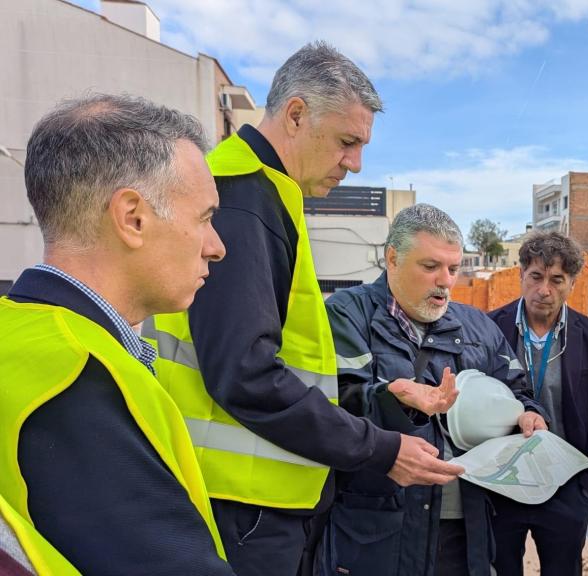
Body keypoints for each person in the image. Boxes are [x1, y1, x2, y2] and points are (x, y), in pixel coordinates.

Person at [143, 42, 460, 576]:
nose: (355, 165)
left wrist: (380, 401)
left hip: (245, 496)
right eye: (346, 141)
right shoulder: (244, 199)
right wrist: (380, 449)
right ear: (295, 114)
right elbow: (245, 372)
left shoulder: (260, 193)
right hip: (241, 502)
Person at [0, 94, 232, 574]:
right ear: (132, 218)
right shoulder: (81, 378)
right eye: (205, 218)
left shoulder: (21, 335)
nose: (217, 247)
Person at [320, 203, 547, 576]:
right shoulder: (348, 313)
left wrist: (529, 414)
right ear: (392, 259)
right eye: (430, 267)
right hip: (375, 534)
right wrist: (394, 400)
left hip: (465, 532)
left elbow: (518, 390)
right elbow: (335, 405)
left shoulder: (479, 326)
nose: (445, 281)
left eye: (453, 269)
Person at [488, 231, 588, 576]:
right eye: (536, 277)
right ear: (521, 276)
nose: (544, 290)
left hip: (565, 487)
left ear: (572, 283)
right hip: (503, 486)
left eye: (556, 280)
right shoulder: (490, 328)